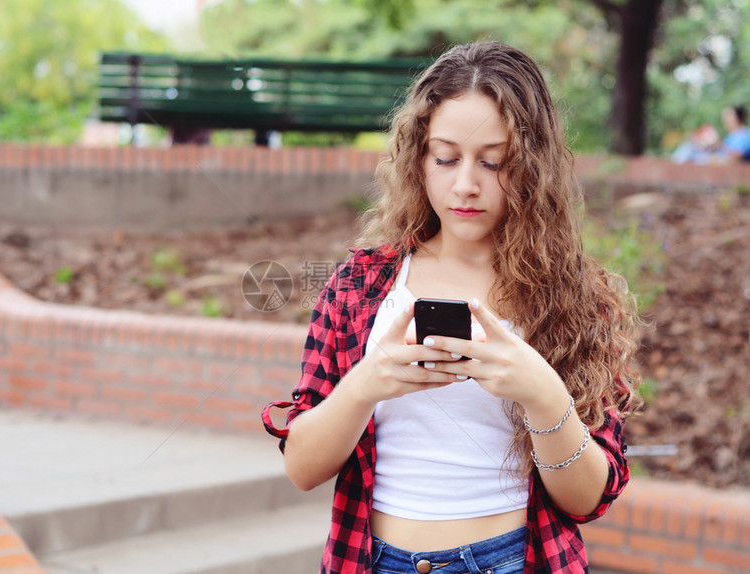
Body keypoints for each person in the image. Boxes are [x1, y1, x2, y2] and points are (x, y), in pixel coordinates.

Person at [262, 41, 642, 574]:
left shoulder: (576, 297)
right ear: (418, 158)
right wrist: (369, 382)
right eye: (446, 158)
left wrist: (543, 396)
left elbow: (587, 500)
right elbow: (302, 468)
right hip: (373, 560)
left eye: (495, 162)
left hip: (510, 560)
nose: (466, 184)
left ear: (533, 167)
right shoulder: (363, 283)